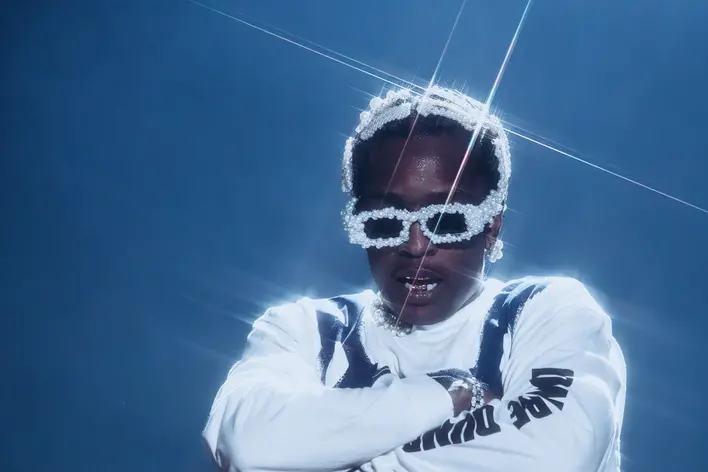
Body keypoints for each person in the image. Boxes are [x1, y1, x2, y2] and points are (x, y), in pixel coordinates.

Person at [202, 86, 627, 472]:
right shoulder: (307, 329)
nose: (416, 244)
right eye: (385, 221)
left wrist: (327, 453)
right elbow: (249, 446)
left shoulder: (546, 310)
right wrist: (445, 394)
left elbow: (554, 459)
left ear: (492, 226)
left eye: (448, 220)